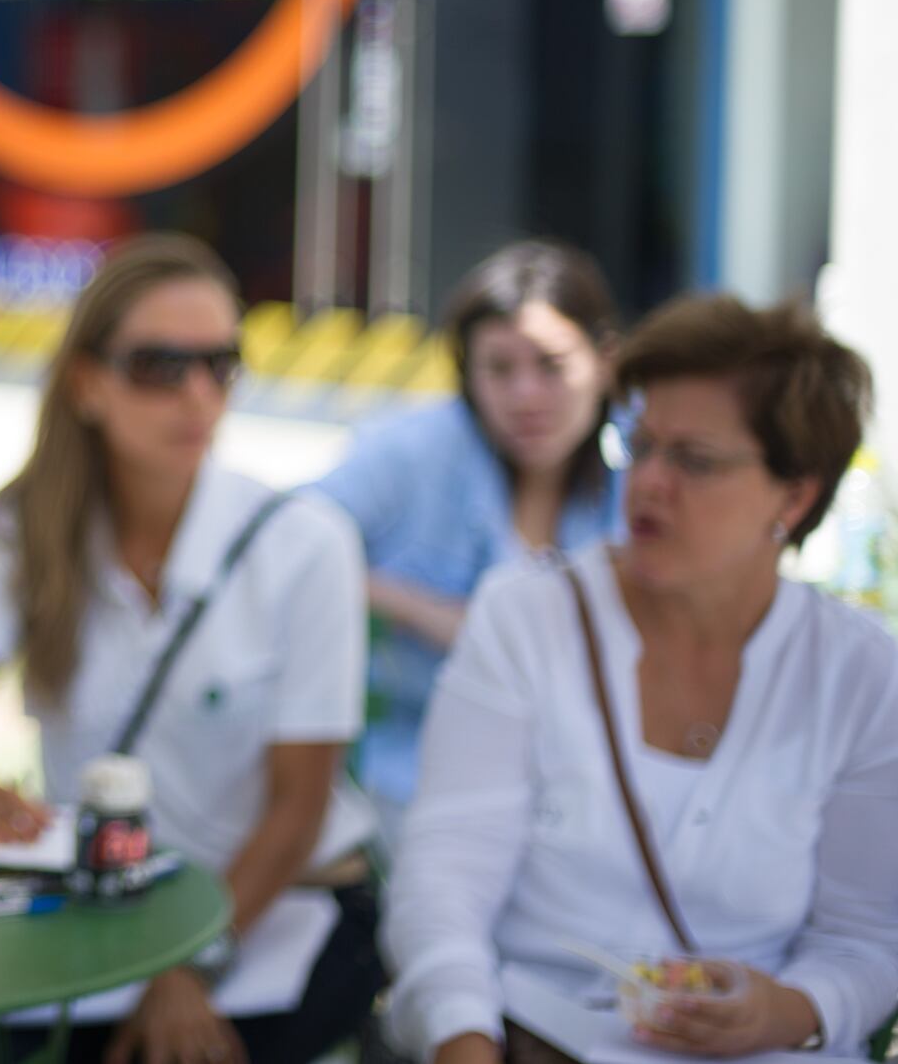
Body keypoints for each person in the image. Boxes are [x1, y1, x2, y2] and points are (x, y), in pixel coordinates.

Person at [384, 295, 898, 1063]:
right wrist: (464, 1037)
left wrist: (787, 1010)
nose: (650, 482)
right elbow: (443, 876)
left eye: (695, 460)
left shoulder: (859, 671)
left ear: (794, 495)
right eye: (640, 444)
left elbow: (866, 937)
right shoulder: (527, 616)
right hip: (534, 1036)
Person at [0, 234, 383, 1064]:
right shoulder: (21, 528)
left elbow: (299, 807)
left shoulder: (307, 542)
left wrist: (187, 959)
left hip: (282, 908)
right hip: (109, 906)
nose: (198, 394)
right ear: (86, 382)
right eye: (160, 366)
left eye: (221, 364)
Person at [314, 241, 622, 828]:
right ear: (466, 372)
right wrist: (418, 609)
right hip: (406, 787)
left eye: (551, 365)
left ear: (605, 360)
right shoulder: (412, 451)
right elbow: (281, 542)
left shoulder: (644, 470)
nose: (526, 395)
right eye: (499, 369)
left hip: (583, 794)